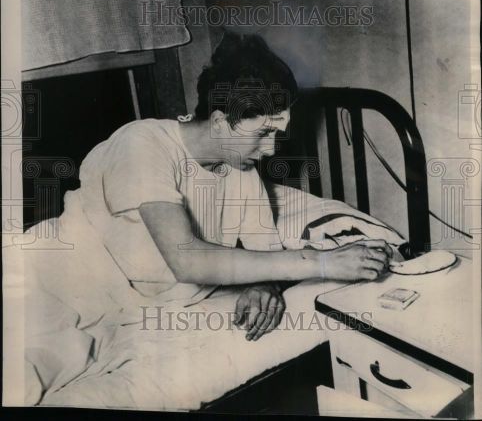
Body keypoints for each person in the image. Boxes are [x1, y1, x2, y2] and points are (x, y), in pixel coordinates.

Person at [80, 31, 391, 342]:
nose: (271, 150)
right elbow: (187, 260)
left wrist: (262, 285)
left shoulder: (240, 168)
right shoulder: (142, 144)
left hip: (170, 295)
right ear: (219, 122)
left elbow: (265, 257)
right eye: (263, 133)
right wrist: (322, 262)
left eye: (277, 133)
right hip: (84, 278)